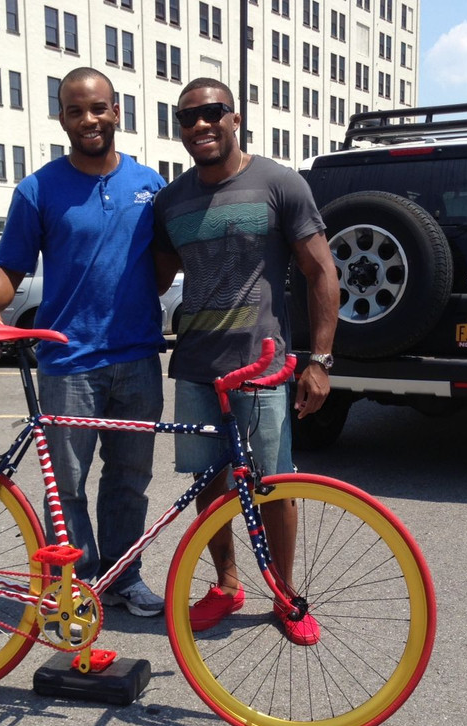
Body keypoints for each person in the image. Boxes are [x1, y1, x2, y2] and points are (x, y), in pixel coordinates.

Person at [0, 67, 167, 617]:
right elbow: (10, 265)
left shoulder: (150, 184)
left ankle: (123, 578)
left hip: (138, 356)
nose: (89, 119)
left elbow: (168, 260)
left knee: (130, 480)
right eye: (76, 111)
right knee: (69, 487)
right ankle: (74, 584)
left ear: (117, 111)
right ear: (62, 119)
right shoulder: (38, 189)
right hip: (68, 361)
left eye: (98, 108)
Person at [152, 78, 339, 645]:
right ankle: (227, 585)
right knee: (209, 484)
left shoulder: (279, 183)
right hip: (195, 366)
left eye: (212, 113)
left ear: (235, 118)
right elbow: (153, 279)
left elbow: (321, 272)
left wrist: (320, 360)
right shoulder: (171, 200)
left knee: (273, 484)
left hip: (260, 368)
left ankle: (284, 594)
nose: (201, 125)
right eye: (188, 117)